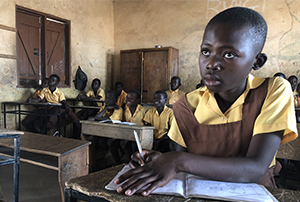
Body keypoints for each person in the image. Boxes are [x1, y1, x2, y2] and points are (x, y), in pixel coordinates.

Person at [115, 7, 298, 197]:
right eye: (206, 51)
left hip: (256, 194)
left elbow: (254, 169)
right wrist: (162, 162)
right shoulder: (187, 105)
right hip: (199, 195)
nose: (211, 63)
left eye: (228, 54)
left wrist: (177, 161)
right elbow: (185, 165)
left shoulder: (272, 91)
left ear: (257, 61)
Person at [28, 74, 81, 139]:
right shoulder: (44, 90)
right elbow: (38, 99)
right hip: (53, 109)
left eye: (53, 80)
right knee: (49, 119)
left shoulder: (59, 92)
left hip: (61, 108)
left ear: (57, 83)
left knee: (75, 120)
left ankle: (77, 137)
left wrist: (65, 103)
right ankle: (42, 135)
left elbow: (63, 101)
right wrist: (31, 100)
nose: (50, 81)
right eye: (50, 79)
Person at [92, 90, 123, 164]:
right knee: (95, 138)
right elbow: (97, 117)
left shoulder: (118, 109)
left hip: (116, 133)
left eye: (110, 98)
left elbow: (109, 120)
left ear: (115, 100)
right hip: (105, 131)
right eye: (106, 97)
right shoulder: (104, 107)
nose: (107, 99)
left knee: (110, 141)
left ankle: (117, 161)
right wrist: (106, 108)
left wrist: (100, 118)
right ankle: (96, 160)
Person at [120, 90, 147, 160]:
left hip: (139, 134)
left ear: (138, 100)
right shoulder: (124, 109)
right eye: (127, 98)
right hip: (127, 132)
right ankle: (129, 159)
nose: (128, 100)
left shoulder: (143, 110)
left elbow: (147, 124)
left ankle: (136, 160)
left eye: (131, 98)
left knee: (134, 145)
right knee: (123, 142)